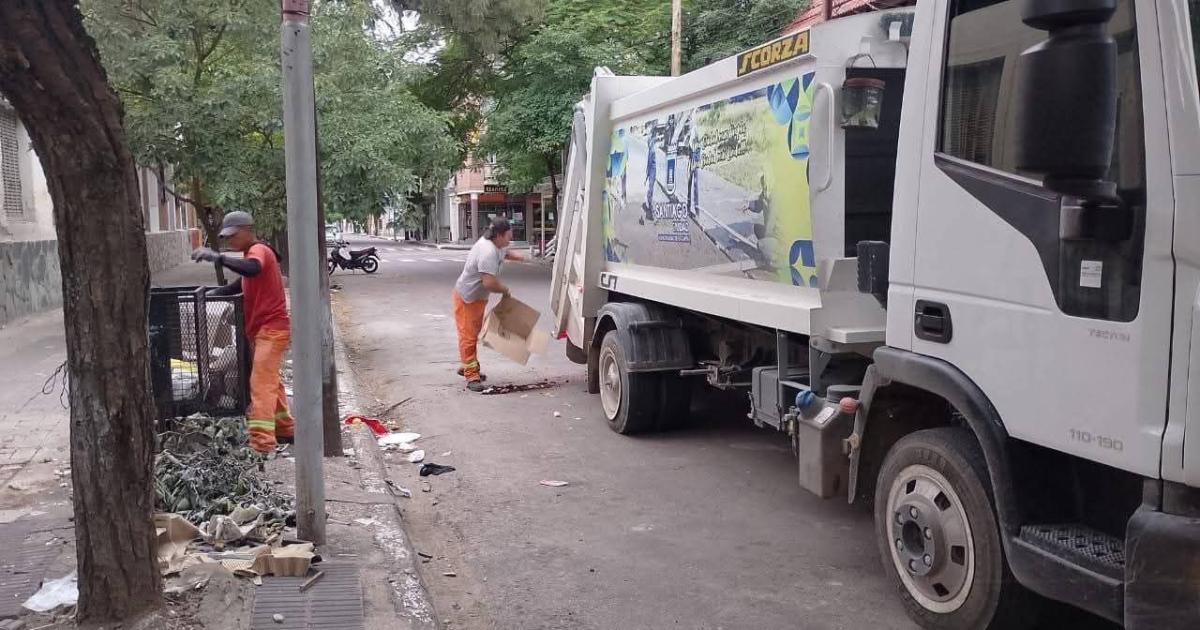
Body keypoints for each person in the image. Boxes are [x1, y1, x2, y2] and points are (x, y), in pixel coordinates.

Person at [192, 211, 294, 454]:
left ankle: (261, 443)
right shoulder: (251, 255)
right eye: (226, 239)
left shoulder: (258, 251)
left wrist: (219, 258)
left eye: (233, 236)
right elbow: (240, 283)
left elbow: (252, 269)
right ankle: (285, 428)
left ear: (248, 230)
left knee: (260, 384)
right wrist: (212, 293)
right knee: (272, 381)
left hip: (271, 329)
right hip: (262, 330)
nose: (229, 242)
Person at [453, 217, 523, 392]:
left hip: (477, 298)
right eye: (508, 236)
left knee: (474, 332)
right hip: (467, 297)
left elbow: (505, 252)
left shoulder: (496, 244)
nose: (510, 240)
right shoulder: (487, 251)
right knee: (468, 336)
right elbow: (489, 283)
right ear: (499, 235)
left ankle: (467, 365)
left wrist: (517, 257)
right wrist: (505, 290)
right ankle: (471, 376)